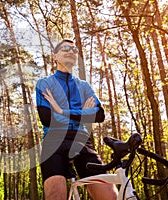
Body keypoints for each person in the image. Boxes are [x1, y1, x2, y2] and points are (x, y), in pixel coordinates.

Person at [36, 39, 118, 200]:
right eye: (65, 48)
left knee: (110, 196)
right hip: (53, 143)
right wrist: (82, 114)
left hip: (81, 141)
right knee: (55, 195)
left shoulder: (84, 86)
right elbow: (46, 119)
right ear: (54, 57)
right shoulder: (44, 83)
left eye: (74, 49)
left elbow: (100, 115)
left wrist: (61, 111)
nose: (71, 51)